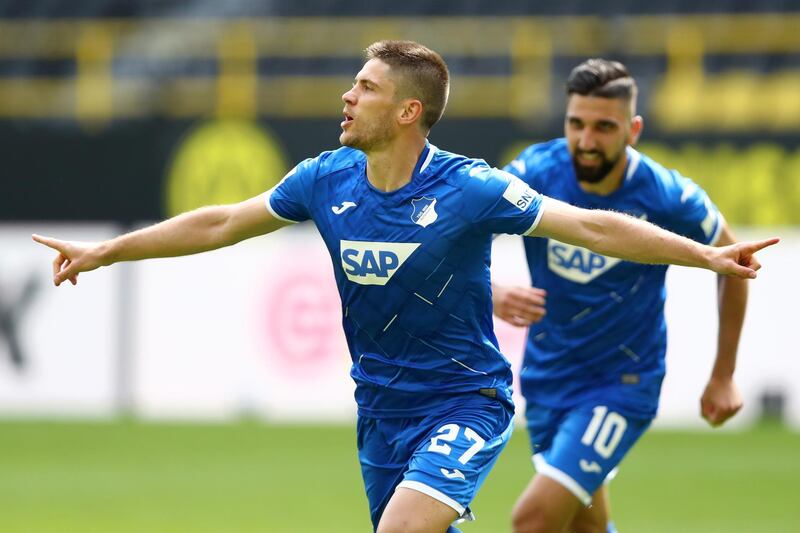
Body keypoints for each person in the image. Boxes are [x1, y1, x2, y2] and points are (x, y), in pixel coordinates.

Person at [33, 43, 775, 533]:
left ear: (408, 111)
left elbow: (597, 227)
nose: (347, 96)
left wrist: (708, 258)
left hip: (466, 402)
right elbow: (220, 222)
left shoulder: (472, 187)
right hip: (381, 409)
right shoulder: (325, 179)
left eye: (365, 86)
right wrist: (105, 251)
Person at [493, 58, 763, 533]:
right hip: (548, 376)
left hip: (621, 384)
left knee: (534, 520)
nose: (587, 140)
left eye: (604, 127)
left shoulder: (666, 195)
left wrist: (724, 375)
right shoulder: (534, 171)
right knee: (586, 526)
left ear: (633, 129)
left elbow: (734, 261)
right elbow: (464, 228)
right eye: (576, 124)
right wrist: (489, 291)